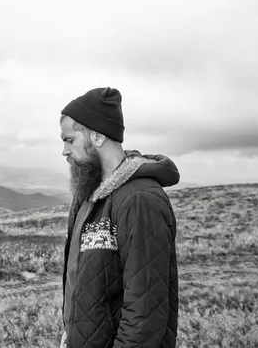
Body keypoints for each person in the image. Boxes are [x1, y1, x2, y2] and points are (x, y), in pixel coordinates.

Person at [58, 87, 179, 348]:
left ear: (97, 136)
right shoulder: (89, 198)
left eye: (69, 140)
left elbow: (145, 318)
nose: (64, 151)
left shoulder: (139, 200)